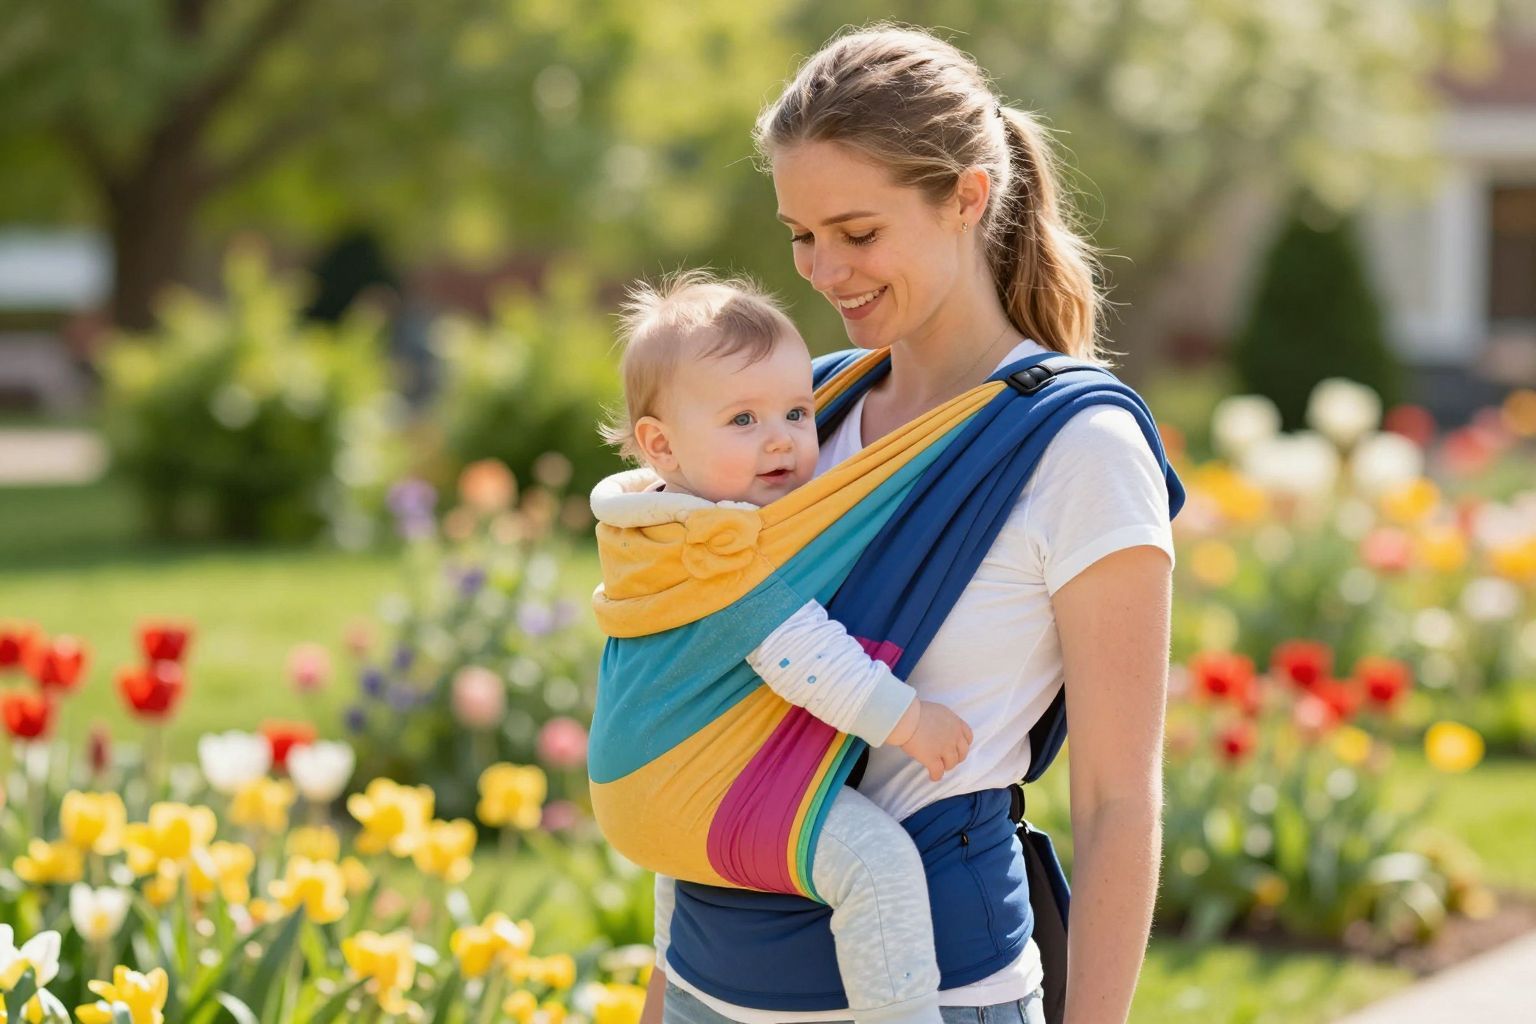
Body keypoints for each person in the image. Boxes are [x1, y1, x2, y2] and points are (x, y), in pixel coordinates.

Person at [641, 25, 1178, 1024]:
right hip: (718, 978)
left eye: (858, 232)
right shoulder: (797, 417)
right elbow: (709, 708)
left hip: (932, 991)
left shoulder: (1079, 449)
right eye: (800, 234)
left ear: (968, 196)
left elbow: (1117, 803)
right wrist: (664, 994)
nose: (822, 269)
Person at [588, 271, 976, 1024]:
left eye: (798, 411)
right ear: (660, 446)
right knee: (875, 862)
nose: (783, 439)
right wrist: (910, 722)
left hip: (650, 792)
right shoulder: (713, 548)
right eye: (742, 419)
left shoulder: (651, 526)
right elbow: (805, 658)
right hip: (686, 789)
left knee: (686, 861)